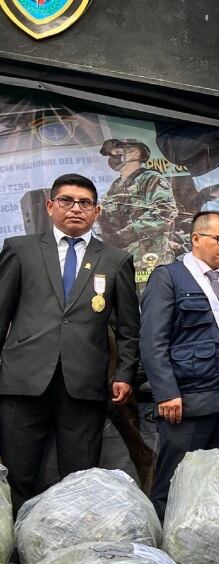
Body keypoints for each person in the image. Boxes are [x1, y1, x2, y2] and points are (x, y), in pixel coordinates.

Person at [0, 173, 138, 511]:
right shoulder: (21, 250)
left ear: (97, 211)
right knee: (18, 473)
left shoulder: (116, 259)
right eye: (66, 200)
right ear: (50, 206)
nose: (76, 208)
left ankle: (63, 550)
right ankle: (16, 552)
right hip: (23, 381)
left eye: (85, 203)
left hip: (84, 384)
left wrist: (124, 373)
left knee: (79, 478)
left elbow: (129, 328)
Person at [140, 211, 219, 517]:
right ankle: (161, 554)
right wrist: (166, 392)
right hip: (186, 401)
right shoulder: (170, 277)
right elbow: (152, 339)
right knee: (174, 483)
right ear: (196, 239)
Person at [97, 138, 179, 290]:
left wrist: (125, 233)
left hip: (148, 260)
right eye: (111, 154)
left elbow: (165, 212)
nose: (112, 157)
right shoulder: (115, 186)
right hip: (122, 260)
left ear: (135, 152)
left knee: (149, 305)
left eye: (117, 152)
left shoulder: (150, 178)